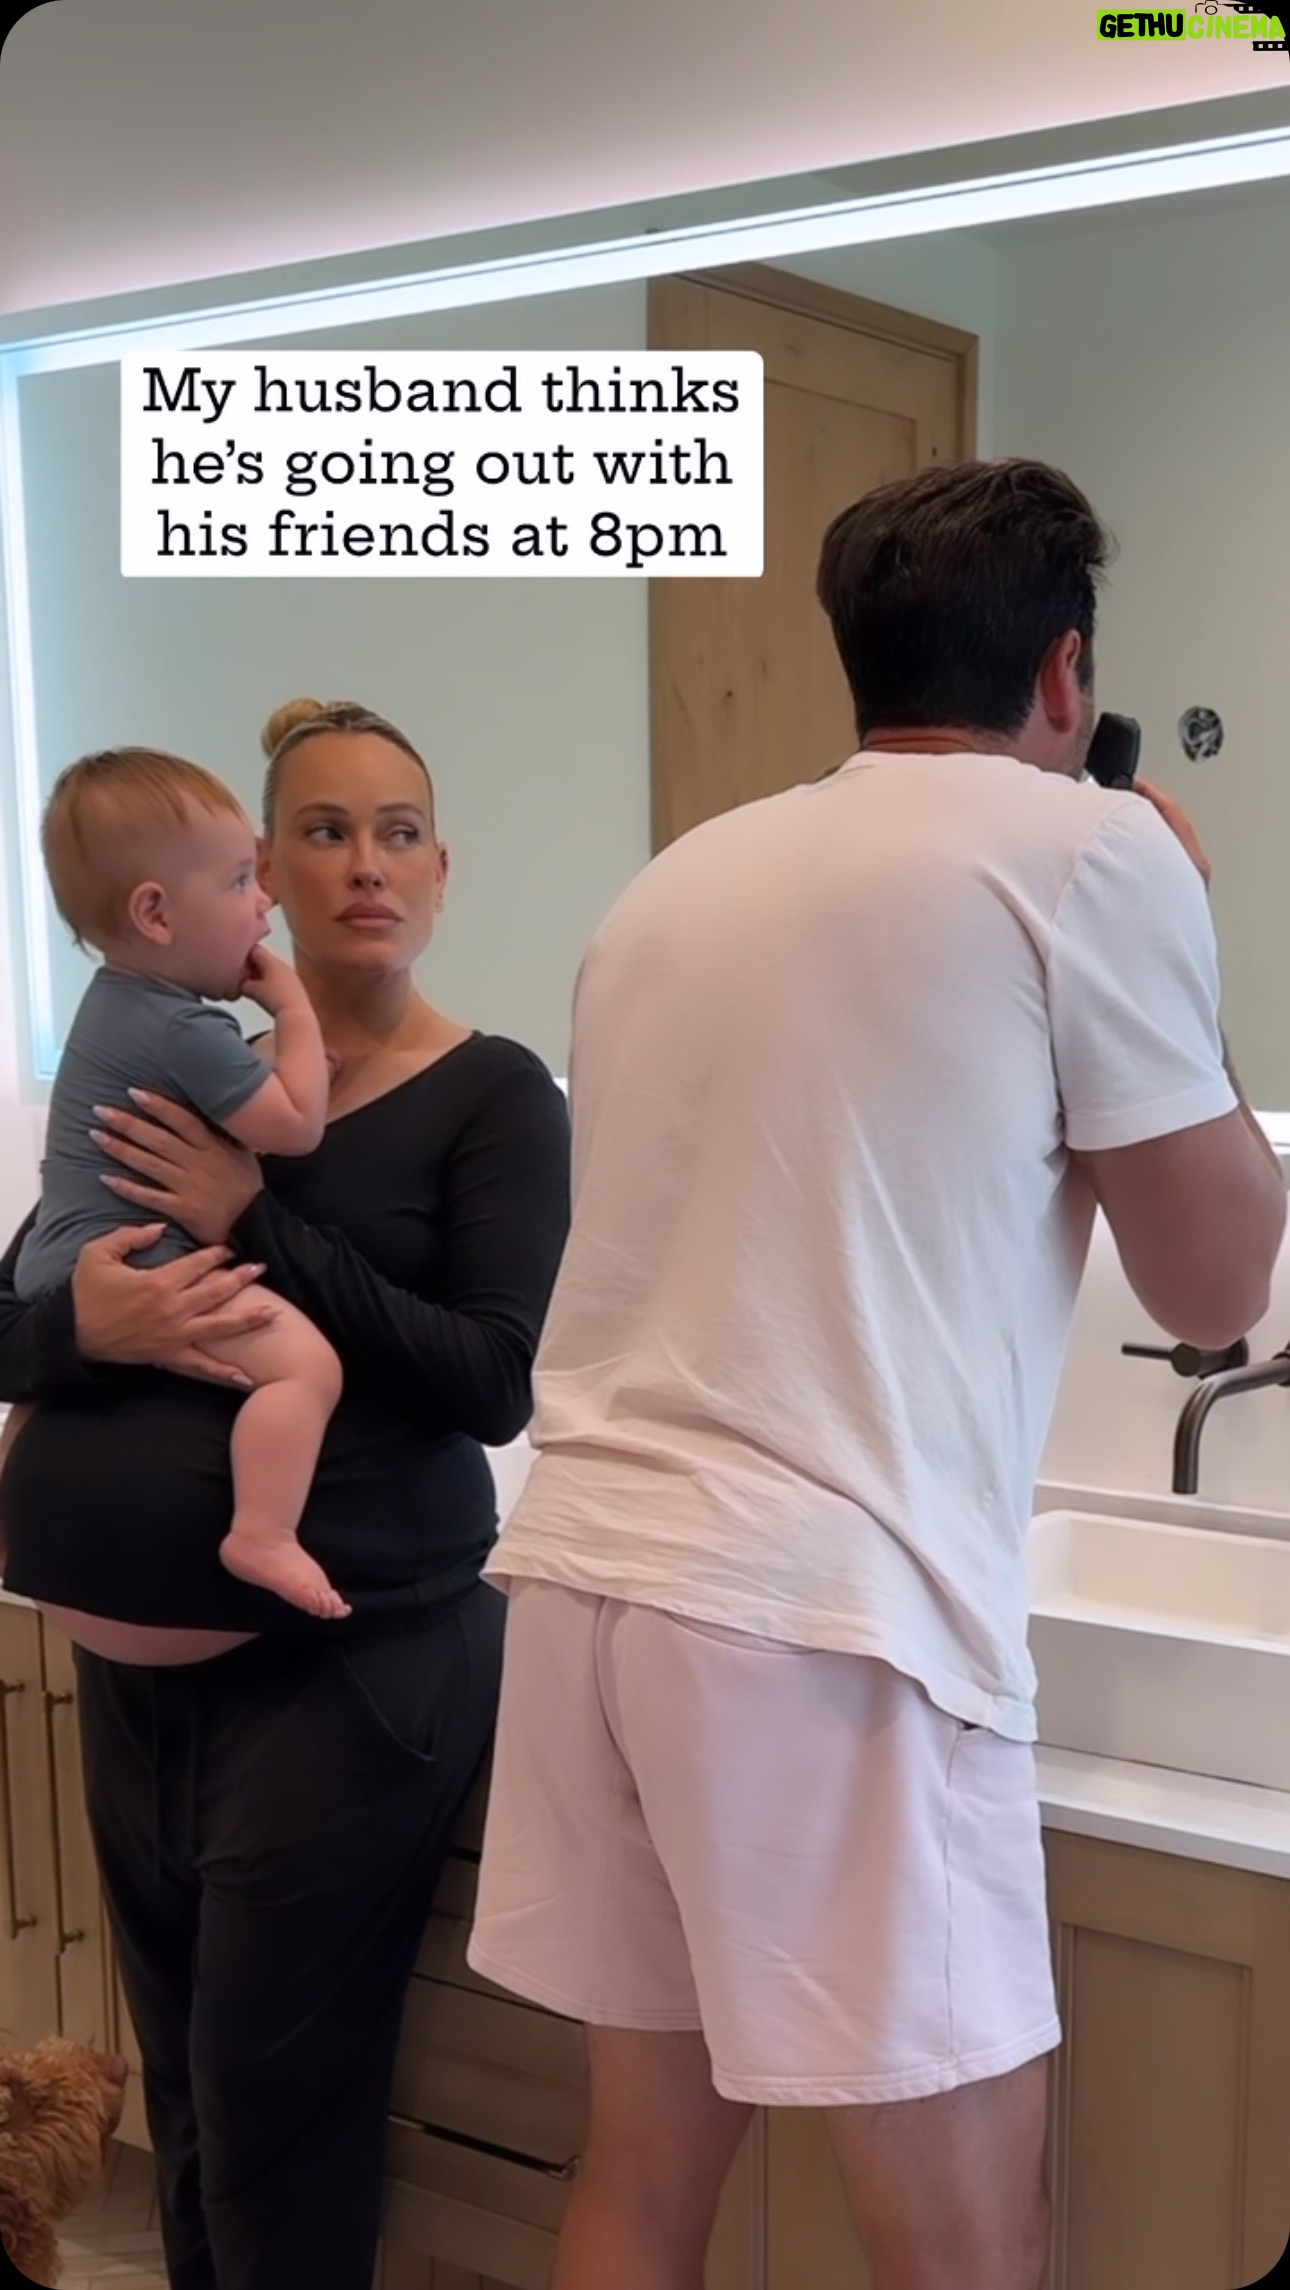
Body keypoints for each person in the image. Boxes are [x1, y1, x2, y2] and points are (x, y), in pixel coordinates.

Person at [465, 460, 1287, 2290]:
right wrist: (1180, 929)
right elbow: (1217, 1280)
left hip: (589, 1581)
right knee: (961, 2245)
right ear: (1063, 672)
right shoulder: (1094, 850)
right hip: (821, 1616)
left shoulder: (677, 877)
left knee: (640, 2176)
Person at [0, 696, 571, 2290]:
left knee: (269, 2117)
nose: (364, 864)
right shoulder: (181, 1063)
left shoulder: (494, 1097)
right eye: (323, 831)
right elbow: (15, 1314)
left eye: (399, 832)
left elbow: (489, 1378)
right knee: (184, 2097)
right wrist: (91, 1324)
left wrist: (258, 1218)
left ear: (442, 871)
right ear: (257, 873)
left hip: (351, 1670)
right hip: (140, 1684)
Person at [1, 746, 348, 1626]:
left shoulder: (110, 1007)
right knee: (306, 1368)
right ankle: (262, 1532)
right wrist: (295, 1012)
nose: (263, 902)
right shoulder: (185, 1030)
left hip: (65, 1263)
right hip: (138, 1262)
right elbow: (297, 1127)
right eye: (238, 881)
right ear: (154, 913)